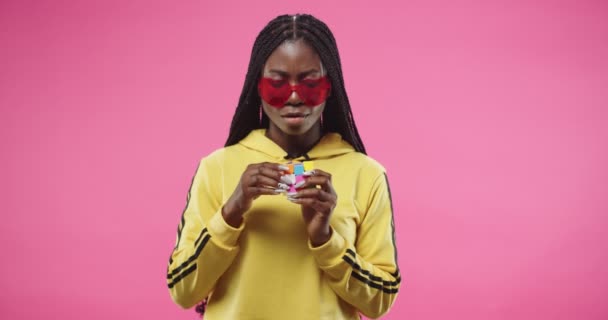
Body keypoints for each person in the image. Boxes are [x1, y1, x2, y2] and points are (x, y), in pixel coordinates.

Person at [166, 13, 401, 320]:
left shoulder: (367, 175)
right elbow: (183, 291)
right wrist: (231, 212)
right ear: (258, 88)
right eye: (277, 84)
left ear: (330, 87)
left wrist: (326, 240)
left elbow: (380, 301)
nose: (293, 97)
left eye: (310, 84)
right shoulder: (216, 168)